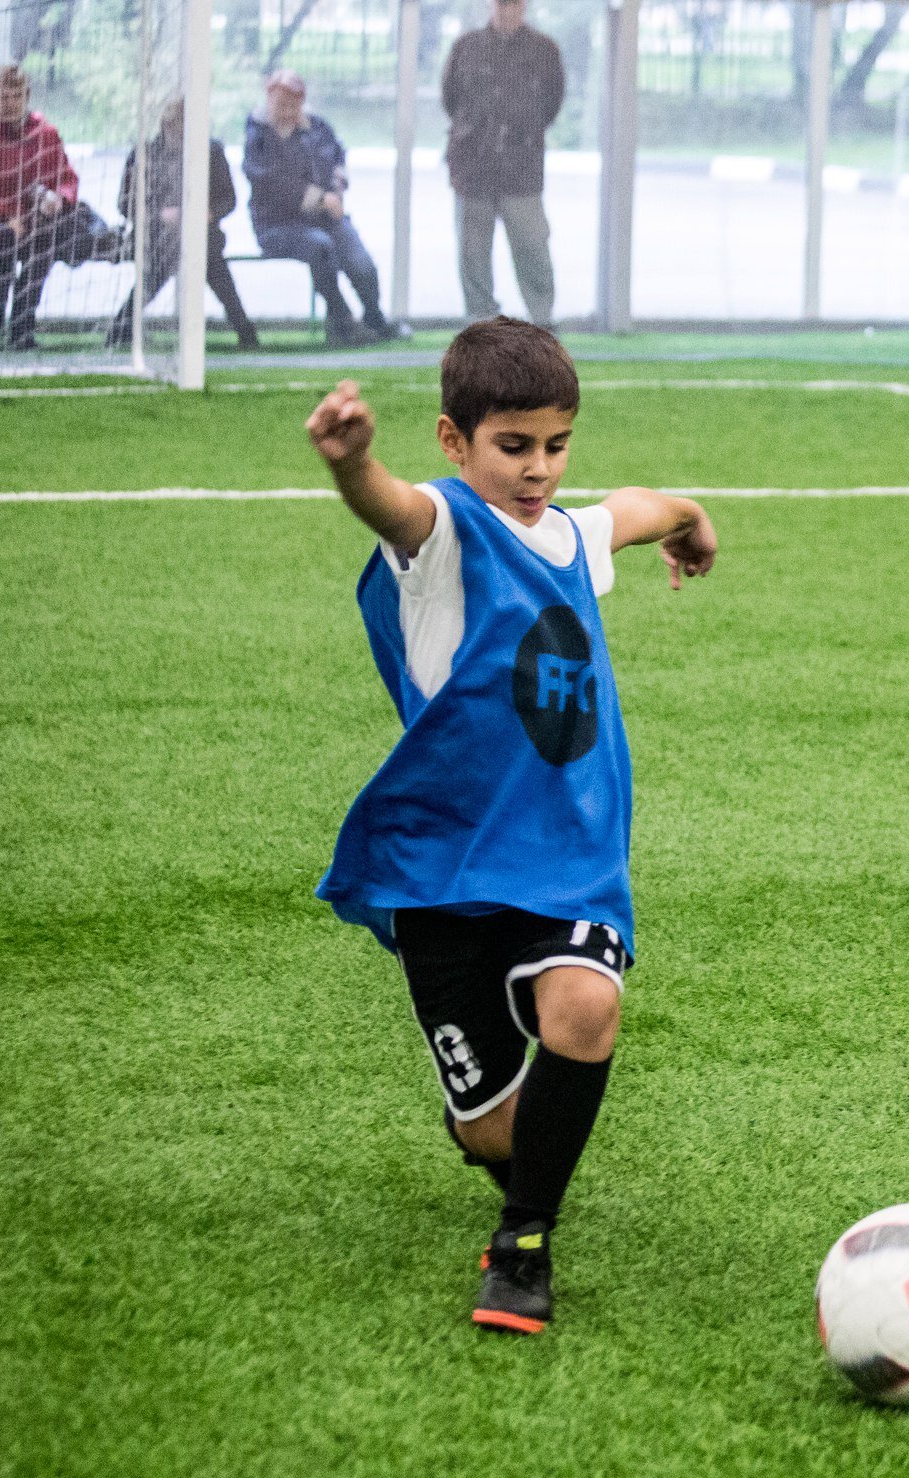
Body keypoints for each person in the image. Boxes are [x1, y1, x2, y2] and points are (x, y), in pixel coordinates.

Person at [303, 318, 720, 1331]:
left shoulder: (568, 535)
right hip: (442, 866)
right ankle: (510, 1161)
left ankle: (522, 1243)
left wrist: (689, 515)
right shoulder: (443, 534)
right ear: (456, 441)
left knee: (583, 1008)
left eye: (555, 445)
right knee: (497, 1129)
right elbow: (388, 507)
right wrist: (354, 463)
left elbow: (624, 510)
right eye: (513, 445)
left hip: (570, 857)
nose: (539, 469)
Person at [246, 69, 403, 347]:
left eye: (294, 103)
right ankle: (343, 321)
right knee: (320, 248)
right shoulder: (258, 135)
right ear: (269, 98)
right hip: (277, 225)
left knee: (360, 262)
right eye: (281, 103)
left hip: (326, 219)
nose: (287, 110)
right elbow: (268, 181)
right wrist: (317, 198)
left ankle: (374, 318)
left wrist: (337, 189)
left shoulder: (318, 128)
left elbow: (338, 158)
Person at [443, 0, 565, 327]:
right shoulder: (466, 48)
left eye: (514, 3)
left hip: (521, 171)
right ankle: (481, 323)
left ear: (524, 6)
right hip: (473, 169)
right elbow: (451, 101)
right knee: (473, 254)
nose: (508, 8)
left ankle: (542, 321)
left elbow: (551, 105)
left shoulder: (544, 50)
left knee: (533, 248)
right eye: (502, 3)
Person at [108, 99, 260, 351]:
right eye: (178, 124)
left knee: (210, 262)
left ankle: (246, 333)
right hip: (154, 235)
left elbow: (228, 199)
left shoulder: (212, 152)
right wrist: (160, 216)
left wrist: (207, 213)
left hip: (201, 235)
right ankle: (120, 328)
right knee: (165, 261)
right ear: (166, 124)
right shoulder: (143, 154)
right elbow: (125, 205)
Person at [0, 65, 82, 351]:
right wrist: (4, 215)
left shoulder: (44, 134)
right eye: (5, 96)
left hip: (31, 223)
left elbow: (65, 178)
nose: (12, 102)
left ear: (26, 96)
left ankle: (22, 327)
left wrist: (56, 198)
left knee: (45, 240)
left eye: (18, 95)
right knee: (5, 239)